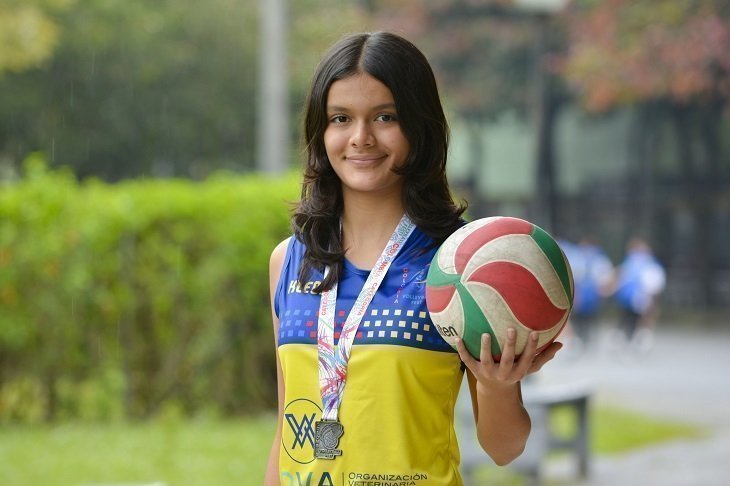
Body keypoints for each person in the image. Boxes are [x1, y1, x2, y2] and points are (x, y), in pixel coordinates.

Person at [265, 31, 562, 485]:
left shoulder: (461, 264)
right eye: (340, 118)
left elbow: (505, 450)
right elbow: (286, 426)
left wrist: (498, 387)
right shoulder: (290, 261)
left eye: (385, 117)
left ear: (419, 126)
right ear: (320, 130)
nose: (361, 138)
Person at [612, 237, 666, 351]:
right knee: (637, 320)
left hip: (633, 297)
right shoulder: (647, 263)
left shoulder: (633, 262)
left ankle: (630, 340)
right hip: (638, 298)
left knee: (629, 319)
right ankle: (635, 341)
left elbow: (620, 277)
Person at [563, 236, 614, 350]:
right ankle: (582, 340)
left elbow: (573, 277)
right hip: (590, 296)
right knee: (586, 319)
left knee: (582, 318)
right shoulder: (599, 259)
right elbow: (606, 279)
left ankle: (580, 340)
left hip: (584, 295)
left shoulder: (577, 256)